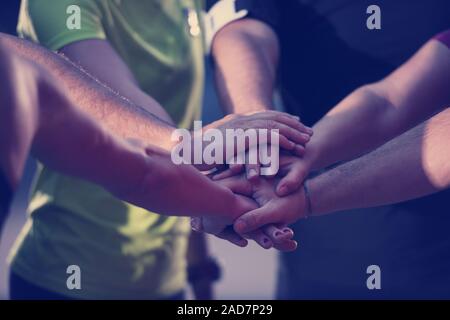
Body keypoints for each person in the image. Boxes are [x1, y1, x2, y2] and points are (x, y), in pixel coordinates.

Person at [10, 0, 310, 299]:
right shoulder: (56, 5)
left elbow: (181, 127)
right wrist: (230, 183)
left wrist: (200, 267)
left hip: (167, 280)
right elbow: (127, 116)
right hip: (64, 280)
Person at [207, 0, 450, 298]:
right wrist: (265, 136)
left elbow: (399, 110)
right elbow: (388, 103)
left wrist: (296, 183)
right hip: (326, 256)